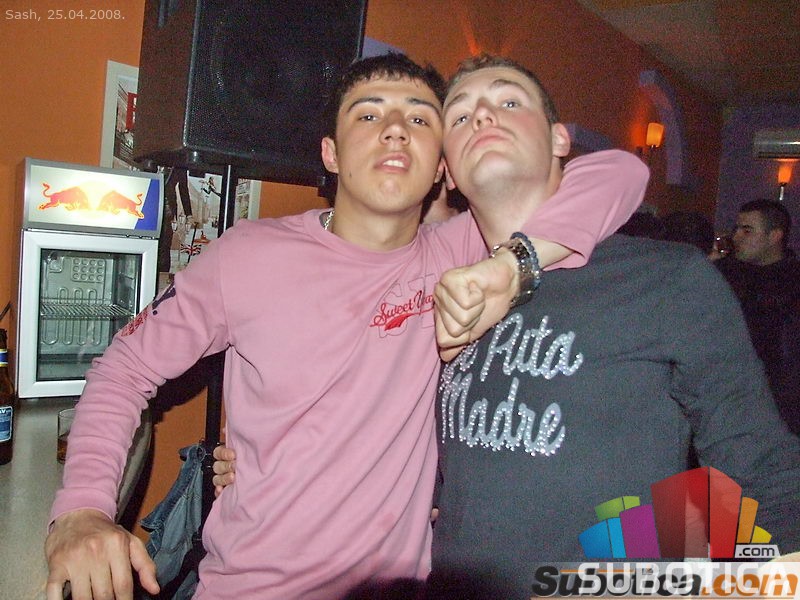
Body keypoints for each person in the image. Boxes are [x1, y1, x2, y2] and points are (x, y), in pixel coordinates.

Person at [44, 54, 646, 600]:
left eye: (419, 118)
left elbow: (618, 172)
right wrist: (82, 510)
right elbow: (123, 369)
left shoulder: (462, 254)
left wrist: (513, 266)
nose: (395, 130)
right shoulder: (247, 255)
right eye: (369, 115)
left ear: (442, 166)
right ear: (331, 154)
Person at [425, 55, 800, 598]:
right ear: (449, 170)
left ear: (560, 140)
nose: (482, 116)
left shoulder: (664, 277)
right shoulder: (443, 285)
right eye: (460, 116)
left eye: (508, 101)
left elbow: (765, 472)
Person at [716, 199, 800, 434]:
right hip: (726, 396)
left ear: (774, 236)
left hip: (779, 403)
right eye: (737, 229)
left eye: (747, 230)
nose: (736, 237)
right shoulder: (722, 274)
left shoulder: (793, 282)